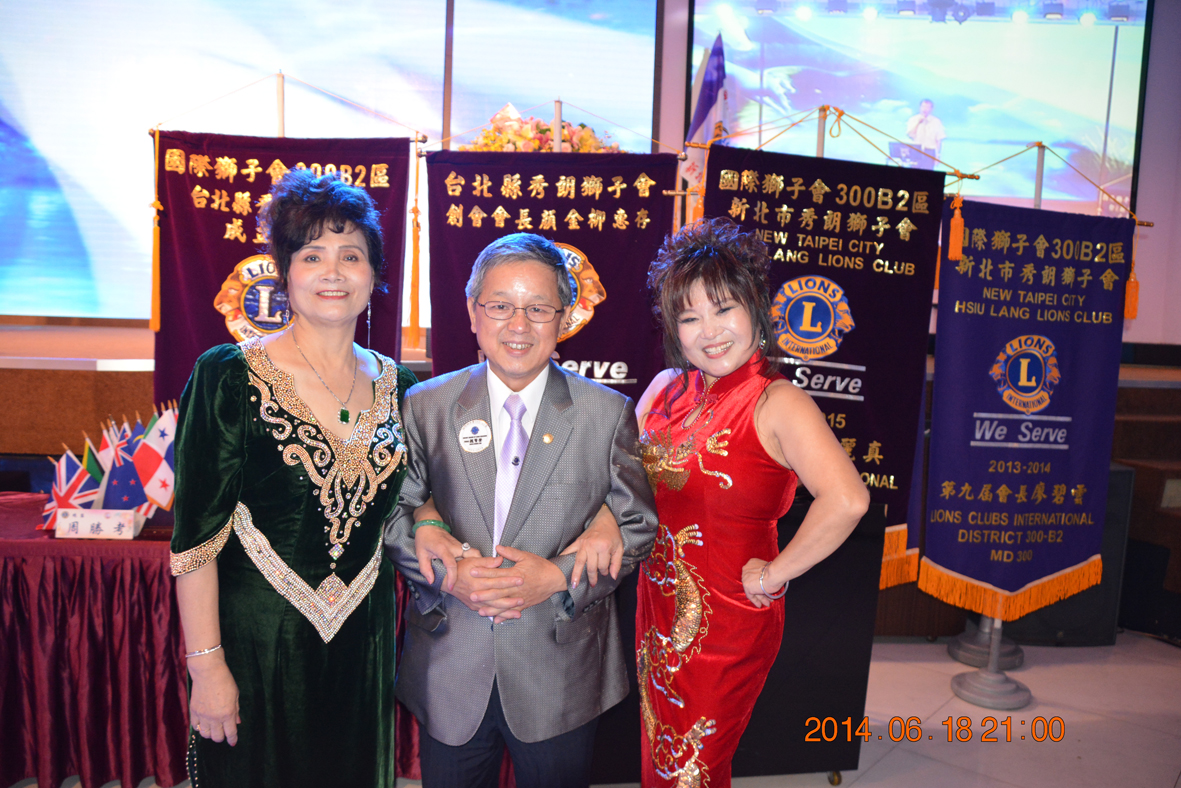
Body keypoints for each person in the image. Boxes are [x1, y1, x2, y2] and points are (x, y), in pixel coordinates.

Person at [384, 232, 658, 788]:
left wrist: (555, 576)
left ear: (563, 318)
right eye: (500, 306)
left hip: (558, 665)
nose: (518, 325)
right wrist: (450, 574)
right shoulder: (425, 405)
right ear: (472, 313)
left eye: (537, 309)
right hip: (450, 660)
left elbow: (636, 524)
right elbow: (395, 514)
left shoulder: (605, 413)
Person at [170, 169, 415, 787]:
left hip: (362, 646)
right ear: (284, 273)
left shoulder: (403, 387)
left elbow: (422, 504)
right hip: (256, 647)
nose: (333, 272)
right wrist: (206, 667)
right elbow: (195, 541)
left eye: (351, 255)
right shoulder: (229, 375)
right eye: (312, 255)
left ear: (375, 275)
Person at [635, 217, 869, 788]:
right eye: (689, 317)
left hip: (729, 620)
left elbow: (847, 500)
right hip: (657, 607)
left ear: (756, 311)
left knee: (693, 769)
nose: (709, 331)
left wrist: (774, 573)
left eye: (724, 309)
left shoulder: (778, 401)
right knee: (661, 753)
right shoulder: (665, 389)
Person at [906, 98, 946, 169]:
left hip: (929, 151)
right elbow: (911, 135)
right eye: (923, 106)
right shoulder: (913, 119)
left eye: (927, 107)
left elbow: (939, 140)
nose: (925, 109)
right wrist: (918, 123)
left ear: (931, 109)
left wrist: (938, 156)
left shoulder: (936, 121)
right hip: (916, 150)